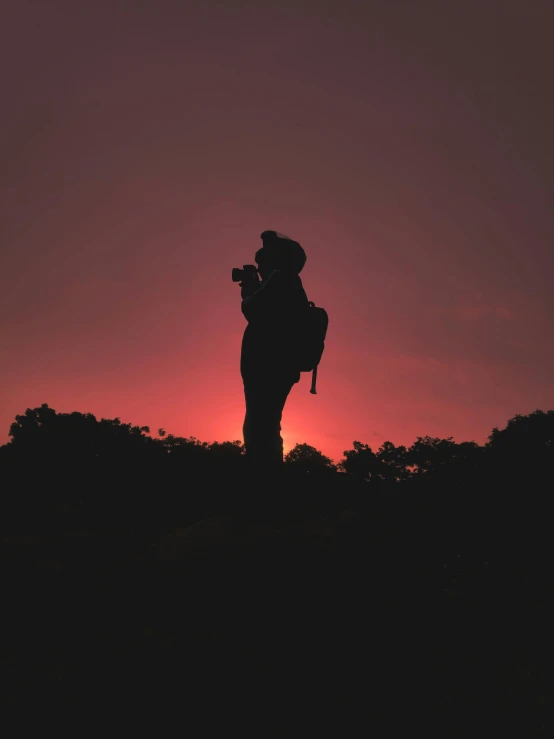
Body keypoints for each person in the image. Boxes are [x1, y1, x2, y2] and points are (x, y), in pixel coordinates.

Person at [239, 230, 308, 481]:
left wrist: (248, 289)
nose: (260, 267)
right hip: (273, 367)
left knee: (260, 427)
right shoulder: (282, 281)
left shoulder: (281, 279)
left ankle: (266, 490)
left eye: (262, 262)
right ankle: (266, 488)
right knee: (263, 425)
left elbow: (254, 309)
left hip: (269, 367)